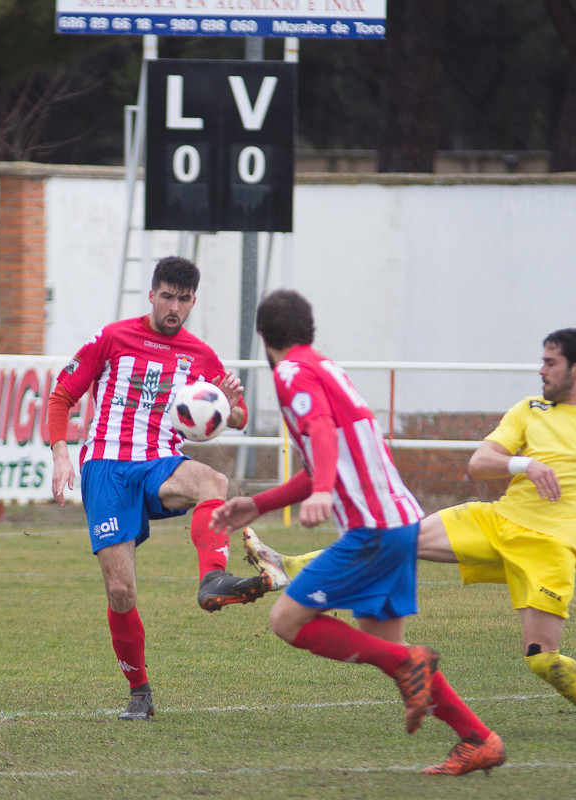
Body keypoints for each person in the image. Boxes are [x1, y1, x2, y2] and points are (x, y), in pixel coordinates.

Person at [244, 326, 576, 738]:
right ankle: (287, 569)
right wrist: (523, 463)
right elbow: (479, 463)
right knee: (398, 536)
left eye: (550, 362)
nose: (541, 370)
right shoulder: (529, 410)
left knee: (542, 660)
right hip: (494, 522)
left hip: (553, 549)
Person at [211, 289, 507, 777]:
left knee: (288, 621)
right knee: (387, 648)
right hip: (400, 522)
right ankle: (479, 738)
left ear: (263, 337)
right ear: (309, 331)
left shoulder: (291, 373)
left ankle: (416, 666)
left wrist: (323, 491)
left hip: (372, 528)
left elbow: (322, 433)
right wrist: (258, 503)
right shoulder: (325, 368)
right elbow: (327, 452)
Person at [48, 255, 266, 722]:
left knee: (214, 481)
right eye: (167, 296)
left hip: (157, 462)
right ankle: (140, 691)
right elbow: (62, 394)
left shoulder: (201, 355)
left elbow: (239, 417)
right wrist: (61, 453)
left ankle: (213, 577)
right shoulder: (112, 338)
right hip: (106, 467)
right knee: (121, 591)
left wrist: (230, 402)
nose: (174, 306)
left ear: (192, 301)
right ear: (151, 294)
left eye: (183, 299)